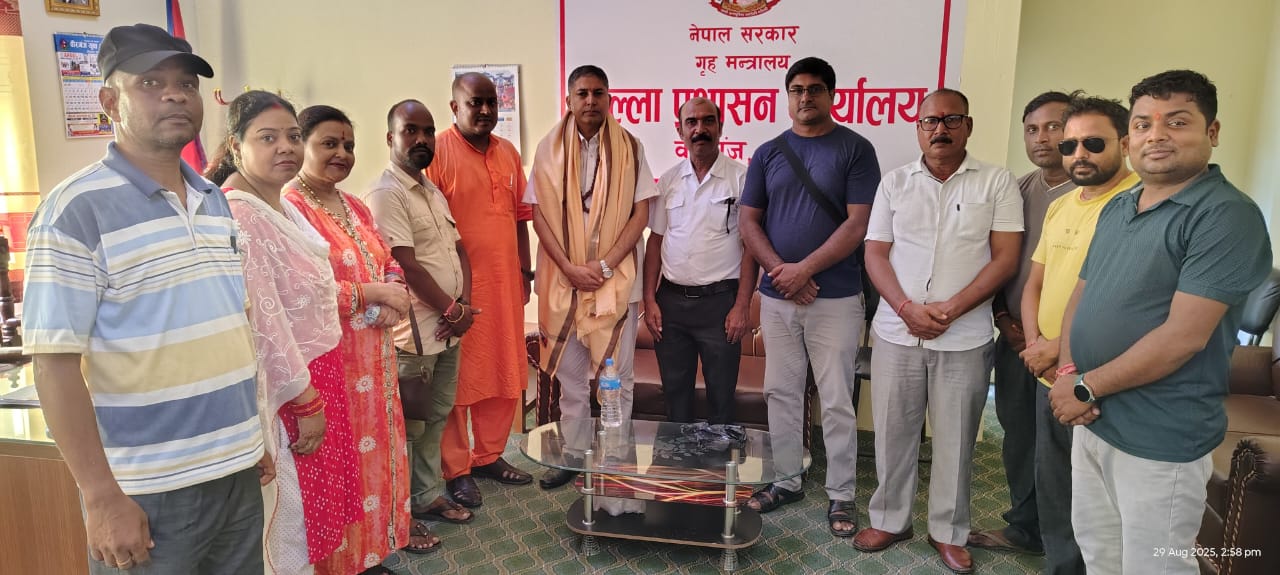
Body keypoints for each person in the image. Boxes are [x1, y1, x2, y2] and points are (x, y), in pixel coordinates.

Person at [23, 23, 270, 574]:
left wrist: (250, 437)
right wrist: (100, 497)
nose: (175, 96)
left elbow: (228, 328)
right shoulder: (75, 210)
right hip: (148, 489)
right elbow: (53, 367)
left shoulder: (213, 200)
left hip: (235, 471)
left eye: (186, 84)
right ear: (110, 102)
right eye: (151, 83)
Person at [1052, 70, 1271, 575]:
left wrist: (1084, 387)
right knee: (1100, 554)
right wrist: (1067, 374)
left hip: (1159, 436)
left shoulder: (1225, 215)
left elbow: (1183, 338)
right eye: (1143, 124)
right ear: (1129, 139)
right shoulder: (1119, 206)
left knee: (1154, 567)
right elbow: (1081, 295)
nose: (1156, 135)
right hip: (1094, 420)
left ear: (1212, 132)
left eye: (1177, 122)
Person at [856, 88, 1023, 574]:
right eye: (930, 121)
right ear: (918, 128)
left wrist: (951, 308)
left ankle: (948, 531)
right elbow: (875, 254)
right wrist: (905, 307)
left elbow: (1006, 258)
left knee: (956, 440)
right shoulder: (894, 183)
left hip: (964, 335)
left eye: (951, 120)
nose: (940, 129)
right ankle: (890, 520)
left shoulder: (996, 182)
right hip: (896, 331)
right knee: (893, 434)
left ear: (968, 126)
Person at [208, 91, 364, 574]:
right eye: (268, 138)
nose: (286, 148)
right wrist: (306, 402)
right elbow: (264, 323)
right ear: (236, 146)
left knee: (312, 514)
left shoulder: (277, 205)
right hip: (286, 391)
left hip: (315, 375)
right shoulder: (242, 215)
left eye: (293, 136)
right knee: (288, 521)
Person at [284, 105, 433, 573]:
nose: (342, 154)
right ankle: (340, 564)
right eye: (329, 143)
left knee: (379, 459)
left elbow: (388, 260)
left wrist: (392, 294)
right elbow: (301, 292)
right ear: (300, 144)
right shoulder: (291, 208)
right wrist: (370, 296)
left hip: (376, 360)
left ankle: (370, 556)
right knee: (340, 470)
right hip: (331, 368)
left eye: (348, 145)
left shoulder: (354, 205)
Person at [738, 56, 879, 538]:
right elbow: (748, 222)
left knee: (836, 398)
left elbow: (858, 224)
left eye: (815, 89)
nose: (805, 97)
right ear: (788, 96)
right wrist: (784, 274)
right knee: (781, 391)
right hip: (778, 298)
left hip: (835, 298)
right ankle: (786, 479)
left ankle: (842, 493)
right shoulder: (768, 153)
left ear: (831, 95)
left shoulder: (856, 149)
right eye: (797, 89)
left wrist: (805, 270)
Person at [1018, 94, 1139, 575]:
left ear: (1124, 143)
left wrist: (1059, 351)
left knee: (1101, 502)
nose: (1079, 154)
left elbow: (1126, 299)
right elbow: (1035, 283)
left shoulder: (1138, 205)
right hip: (1048, 374)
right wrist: (1035, 344)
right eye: (1070, 146)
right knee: (1055, 487)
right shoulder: (1062, 204)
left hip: (1096, 377)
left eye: (1093, 143)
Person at [527, 65, 656, 490]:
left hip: (615, 283)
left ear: (609, 99)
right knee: (572, 381)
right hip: (564, 282)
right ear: (568, 100)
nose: (590, 100)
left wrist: (604, 266)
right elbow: (538, 216)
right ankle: (573, 457)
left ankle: (616, 458)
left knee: (620, 379)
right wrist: (569, 267)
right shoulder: (548, 149)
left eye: (598, 93)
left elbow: (641, 213)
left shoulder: (631, 147)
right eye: (582, 93)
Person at [969, 90, 1073, 557]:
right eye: (1032, 129)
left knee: (1062, 446)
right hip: (1015, 338)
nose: (1042, 138)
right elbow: (994, 260)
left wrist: (1054, 342)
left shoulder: (1096, 192)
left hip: (1070, 348)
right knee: (1018, 435)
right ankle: (1024, 527)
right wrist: (1002, 317)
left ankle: (1065, 542)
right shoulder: (1017, 189)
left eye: (1054, 126)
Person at [366, 99, 479, 530]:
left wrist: (462, 305)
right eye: (410, 130)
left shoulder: (431, 191)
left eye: (428, 131)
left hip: (447, 327)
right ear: (390, 137)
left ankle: (427, 495)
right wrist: (452, 308)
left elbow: (459, 251)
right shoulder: (387, 193)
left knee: (436, 416)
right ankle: (400, 510)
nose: (422, 139)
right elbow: (404, 264)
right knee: (409, 425)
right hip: (415, 332)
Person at [423, 73, 534, 509]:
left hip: (505, 285)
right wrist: (445, 295)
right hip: (458, 291)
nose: (485, 110)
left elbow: (519, 218)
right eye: (475, 102)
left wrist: (525, 272)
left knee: (503, 371)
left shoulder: (508, 153)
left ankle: (488, 455)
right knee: (456, 378)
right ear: (455, 107)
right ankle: (457, 469)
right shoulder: (437, 153)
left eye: (492, 102)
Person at [642, 97, 757, 424]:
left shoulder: (741, 179)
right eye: (691, 122)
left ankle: (720, 458)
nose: (700, 129)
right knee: (675, 396)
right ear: (680, 130)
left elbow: (751, 248)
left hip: (720, 305)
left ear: (720, 127)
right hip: (672, 305)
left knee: (721, 398)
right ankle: (678, 458)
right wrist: (649, 299)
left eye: (708, 121)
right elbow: (655, 242)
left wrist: (742, 305)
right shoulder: (669, 181)